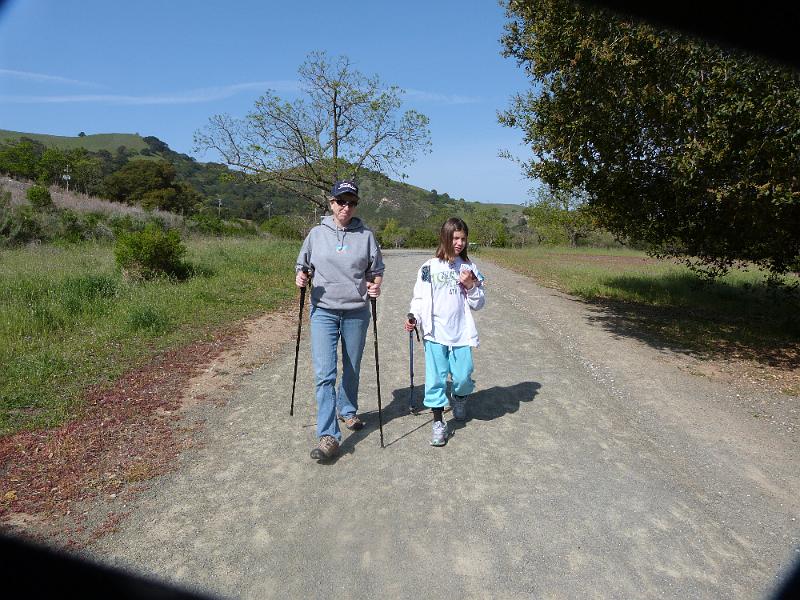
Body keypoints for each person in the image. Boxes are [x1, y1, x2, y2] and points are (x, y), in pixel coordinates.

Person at [295, 180, 384, 461]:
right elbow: (303, 266)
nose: (346, 207)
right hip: (323, 311)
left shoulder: (366, 235)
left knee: (352, 366)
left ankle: (347, 410)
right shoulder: (316, 234)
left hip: (356, 311)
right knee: (325, 374)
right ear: (331, 203)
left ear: (356, 205)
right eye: (341, 201)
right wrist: (300, 277)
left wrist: (376, 285)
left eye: (351, 202)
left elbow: (376, 269)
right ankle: (328, 435)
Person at [404, 217, 485, 446]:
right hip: (434, 332)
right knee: (436, 379)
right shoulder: (429, 267)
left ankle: (459, 397)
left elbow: (479, 303)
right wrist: (414, 316)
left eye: (463, 238)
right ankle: (438, 423)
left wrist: (470, 285)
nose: (459, 243)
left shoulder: (470, 269)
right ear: (445, 237)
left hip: (461, 333)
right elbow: (419, 297)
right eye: (455, 237)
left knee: (462, 376)